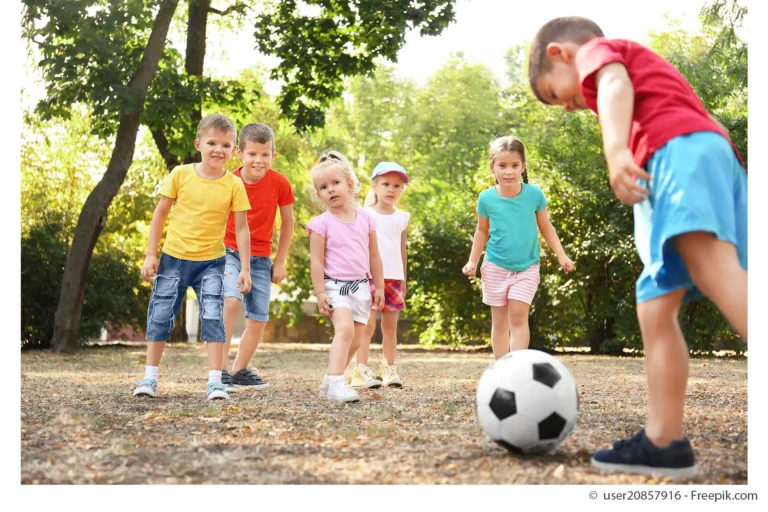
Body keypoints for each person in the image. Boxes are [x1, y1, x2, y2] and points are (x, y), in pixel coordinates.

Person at [527, 16, 747, 478]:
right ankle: (664, 442)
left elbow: (612, 81)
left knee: (714, 268)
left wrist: (616, 151)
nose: (566, 107)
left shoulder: (596, 52)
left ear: (559, 55)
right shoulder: (626, 74)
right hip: (693, 155)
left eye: (554, 94)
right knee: (654, 306)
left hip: (677, 150)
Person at [133, 114, 252, 401]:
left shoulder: (234, 185)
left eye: (225, 145)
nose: (218, 150)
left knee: (213, 316)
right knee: (161, 315)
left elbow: (242, 227)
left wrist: (245, 268)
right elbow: (160, 213)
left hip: (212, 262)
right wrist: (151, 254)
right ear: (199, 144)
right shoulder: (180, 175)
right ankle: (149, 378)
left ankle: (215, 382)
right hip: (174, 258)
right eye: (212, 142)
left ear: (234, 150)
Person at [462, 136, 574, 359]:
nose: (509, 171)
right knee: (500, 322)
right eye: (502, 166)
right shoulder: (486, 199)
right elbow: (482, 231)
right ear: (492, 167)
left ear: (523, 166)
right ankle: (501, 369)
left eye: (515, 165)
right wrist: (473, 260)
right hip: (494, 266)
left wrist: (561, 255)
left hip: (527, 268)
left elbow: (546, 227)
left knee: (519, 319)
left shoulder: (534, 195)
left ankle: (517, 368)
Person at [219, 122, 295, 391]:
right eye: (252, 154)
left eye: (265, 154)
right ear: (240, 153)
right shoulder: (229, 181)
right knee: (230, 303)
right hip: (229, 252)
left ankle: (239, 369)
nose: (258, 160)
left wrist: (281, 260)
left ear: (273, 155)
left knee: (259, 319)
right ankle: (219, 371)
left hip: (262, 258)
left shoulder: (280, 182)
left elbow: (288, 224)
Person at [307, 151, 385, 403]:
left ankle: (331, 379)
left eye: (335, 183)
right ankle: (337, 382)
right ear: (318, 194)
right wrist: (320, 293)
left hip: (361, 286)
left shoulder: (366, 218)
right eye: (323, 187)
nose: (330, 190)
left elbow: (374, 256)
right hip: (334, 287)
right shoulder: (321, 224)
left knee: (357, 339)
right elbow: (316, 262)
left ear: (350, 185)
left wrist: (380, 288)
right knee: (344, 330)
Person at [347, 162, 410, 389]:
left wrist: (404, 278)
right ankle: (360, 370)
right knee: (367, 325)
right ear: (374, 186)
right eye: (386, 184)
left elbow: (401, 249)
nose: (391, 189)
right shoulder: (364, 215)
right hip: (370, 278)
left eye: (396, 185)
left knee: (390, 327)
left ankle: (389, 368)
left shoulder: (402, 217)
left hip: (394, 279)